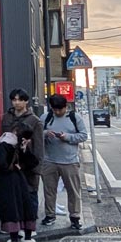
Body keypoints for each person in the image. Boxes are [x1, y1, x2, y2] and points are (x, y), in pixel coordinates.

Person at [40, 94, 88, 231]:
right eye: (55, 109)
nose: (57, 112)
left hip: (70, 161)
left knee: (73, 191)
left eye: (60, 109)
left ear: (65, 107)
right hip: (49, 160)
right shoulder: (46, 118)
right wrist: (45, 133)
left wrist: (66, 137)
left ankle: (74, 217)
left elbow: (83, 135)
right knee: (49, 190)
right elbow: (36, 133)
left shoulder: (74, 118)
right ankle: (50, 215)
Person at [0, 124, 40, 242]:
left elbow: (0, 164)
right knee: (24, 206)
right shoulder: (20, 146)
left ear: (14, 131)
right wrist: (20, 165)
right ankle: (28, 240)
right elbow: (34, 161)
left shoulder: (4, 145)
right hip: (20, 180)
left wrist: (12, 167)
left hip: (6, 181)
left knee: (10, 208)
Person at [0, 88, 44, 225]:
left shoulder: (34, 120)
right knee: (12, 195)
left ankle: (30, 227)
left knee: (30, 194)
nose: (16, 103)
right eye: (14, 100)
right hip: (10, 162)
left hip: (27, 163)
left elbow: (39, 146)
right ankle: (14, 226)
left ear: (26, 101)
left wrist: (36, 168)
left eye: (20, 100)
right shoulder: (6, 117)